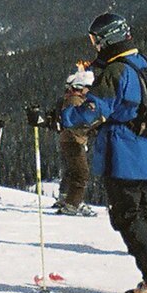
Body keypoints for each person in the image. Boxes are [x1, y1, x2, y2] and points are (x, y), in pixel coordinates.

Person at [61, 11, 147, 293]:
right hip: (145, 154)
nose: (95, 46)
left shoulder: (116, 71)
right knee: (145, 215)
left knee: (127, 218)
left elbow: (95, 110)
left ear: (108, 39)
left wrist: (59, 117)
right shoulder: (145, 65)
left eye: (97, 41)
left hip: (123, 154)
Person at [54, 67, 97, 216]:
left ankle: (65, 198)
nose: (89, 91)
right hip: (74, 141)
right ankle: (73, 204)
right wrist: (93, 125)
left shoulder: (70, 98)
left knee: (72, 171)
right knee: (81, 173)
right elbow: (76, 121)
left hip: (69, 140)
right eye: (88, 88)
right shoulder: (76, 100)